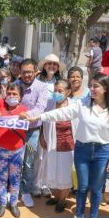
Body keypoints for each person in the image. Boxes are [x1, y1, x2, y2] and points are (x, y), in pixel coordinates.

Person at [27, 73, 109, 218]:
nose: (91, 89)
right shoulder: (83, 104)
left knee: (97, 188)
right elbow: (61, 113)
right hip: (82, 150)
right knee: (83, 186)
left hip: (102, 151)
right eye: (90, 85)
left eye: (95, 86)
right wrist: (38, 117)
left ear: (105, 88)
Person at [0, 83, 28, 218]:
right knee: (2, 178)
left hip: (17, 151)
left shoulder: (24, 110)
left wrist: (24, 117)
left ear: (20, 97)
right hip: (0, 150)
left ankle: (13, 203)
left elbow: (29, 120)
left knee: (15, 178)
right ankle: (2, 203)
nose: (11, 96)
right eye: (9, 93)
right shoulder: (0, 104)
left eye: (15, 94)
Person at [17, 59, 49, 208]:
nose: (27, 75)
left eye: (30, 72)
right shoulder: (15, 85)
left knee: (28, 162)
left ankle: (25, 191)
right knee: (15, 160)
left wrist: (25, 114)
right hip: (15, 130)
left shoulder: (42, 87)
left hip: (33, 129)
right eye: (24, 72)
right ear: (20, 72)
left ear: (35, 71)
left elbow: (40, 107)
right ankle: (14, 188)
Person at [40, 80, 75, 213]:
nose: (56, 93)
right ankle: (56, 196)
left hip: (68, 145)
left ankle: (62, 200)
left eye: (60, 91)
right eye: (55, 90)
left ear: (68, 92)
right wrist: (42, 136)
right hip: (52, 143)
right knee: (52, 170)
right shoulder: (50, 104)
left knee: (65, 174)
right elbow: (44, 121)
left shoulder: (74, 105)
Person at [34, 54, 66, 197]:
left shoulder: (59, 83)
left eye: (55, 64)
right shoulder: (37, 82)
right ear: (44, 66)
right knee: (38, 155)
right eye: (49, 64)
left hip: (55, 123)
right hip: (40, 121)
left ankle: (46, 184)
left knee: (50, 155)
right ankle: (35, 184)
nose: (52, 66)